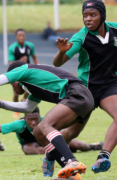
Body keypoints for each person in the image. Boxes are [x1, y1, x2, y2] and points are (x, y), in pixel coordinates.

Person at [0, 61, 94, 179]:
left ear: (16, 75)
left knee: (46, 125)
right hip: (85, 98)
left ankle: (70, 161)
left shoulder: (22, 71)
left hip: (76, 94)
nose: (13, 87)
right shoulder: (33, 86)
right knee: (39, 132)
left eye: (12, 83)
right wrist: (0, 104)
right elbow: (28, 107)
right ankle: (71, 175)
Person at [52, 0, 117, 175]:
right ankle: (51, 153)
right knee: (72, 132)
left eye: (92, 15)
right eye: (85, 16)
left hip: (109, 86)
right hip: (86, 90)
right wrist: (61, 51)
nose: (88, 19)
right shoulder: (81, 37)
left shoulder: (115, 30)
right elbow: (58, 63)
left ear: (102, 16)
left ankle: (103, 156)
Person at [0, 107, 103, 157]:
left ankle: (94, 146)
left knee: (81, 146)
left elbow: (60, 133)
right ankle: (62, 152)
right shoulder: (19, 124)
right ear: (25, 119)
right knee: (30, 150)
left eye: (36, 119)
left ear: (39, 116)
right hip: (30, 144)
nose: (34, 123)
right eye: (30, 120)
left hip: (47, 141)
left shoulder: (45, 121)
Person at [8, 29, 39, 119]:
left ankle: (24, 99)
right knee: (16, 93)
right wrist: (20, 62)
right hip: (16, 73)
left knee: (29, 89)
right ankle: (16, 110)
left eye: (23, 36)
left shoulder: (30, 46)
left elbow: (34, 57)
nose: (21, 37)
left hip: (27, 72)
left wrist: (38, 67)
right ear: (16, 37)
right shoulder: (12, 48)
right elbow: (11, 63)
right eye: (19, 36)